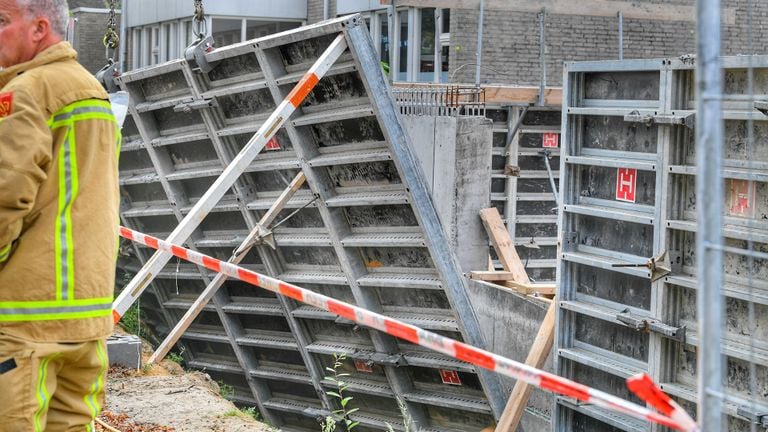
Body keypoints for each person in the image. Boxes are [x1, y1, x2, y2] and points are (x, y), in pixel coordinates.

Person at [0, 0, 120, 430]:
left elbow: (5, 196)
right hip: (86, 314)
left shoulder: (25, 91)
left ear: (39, 28)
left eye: (2, 21)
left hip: (24, 313)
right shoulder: (93, 90)